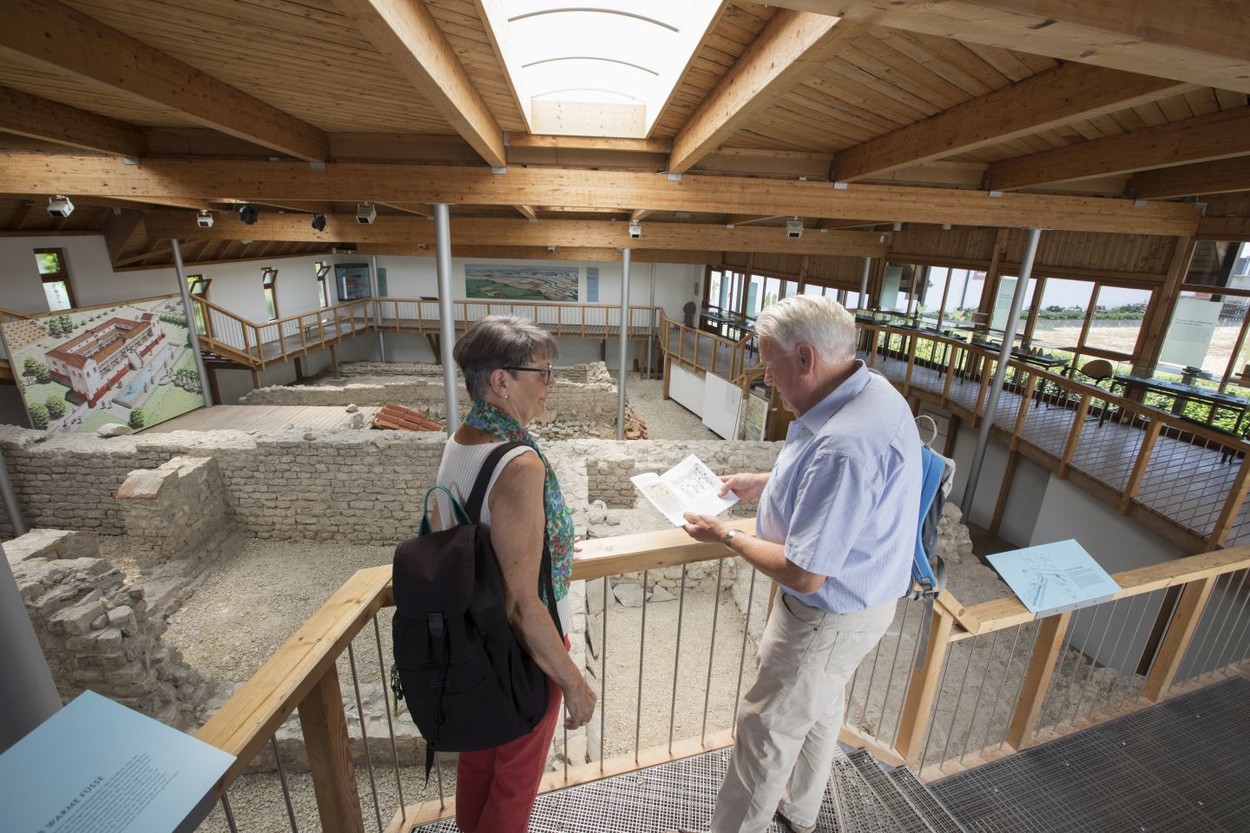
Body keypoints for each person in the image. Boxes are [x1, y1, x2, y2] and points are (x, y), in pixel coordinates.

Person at [677, 295, 922, 833]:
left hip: (824, 617)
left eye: (771, 364)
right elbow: (843, 490)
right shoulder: (874, 392)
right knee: (819, 707)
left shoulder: (844, 445)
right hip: (864, 605)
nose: (766, 378)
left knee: (766, 731)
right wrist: (764, 483)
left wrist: (726, 535)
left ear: (806, 358)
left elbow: (807, 572)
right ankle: (802, 811)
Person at [437, 314, 597, 833]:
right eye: (542, 373)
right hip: (519, 654)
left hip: (470, 642)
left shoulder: (462, 439)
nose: (550, 384)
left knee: (479, 761)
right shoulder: (519, 464)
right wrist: (574, 683)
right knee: (514, 782)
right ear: (500, 380)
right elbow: (524, 604)